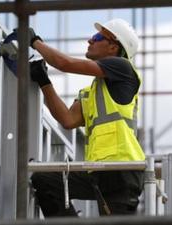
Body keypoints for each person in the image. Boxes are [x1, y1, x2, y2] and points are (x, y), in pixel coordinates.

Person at [28, 18, 146, 217]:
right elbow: (67, 119)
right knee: (46, 180)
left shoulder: (123, 67)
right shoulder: (92, 91)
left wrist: (34, 42)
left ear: (113, 47)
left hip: (122, 170)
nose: (90, 40)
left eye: (98, 36)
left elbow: (64, 63)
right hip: (99, 171)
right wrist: (43, 81)